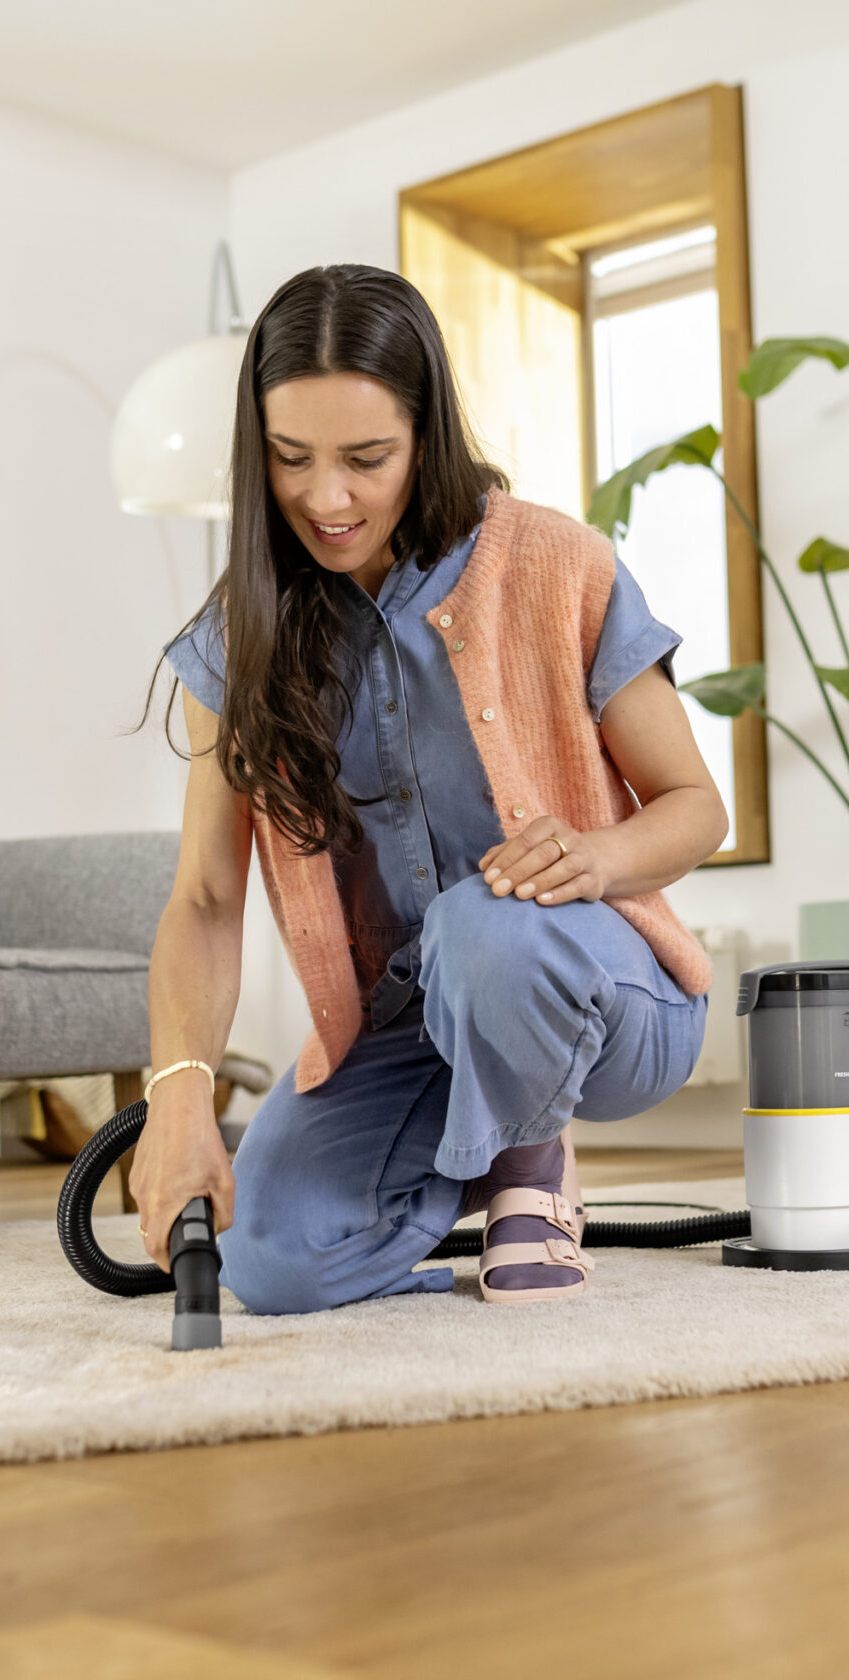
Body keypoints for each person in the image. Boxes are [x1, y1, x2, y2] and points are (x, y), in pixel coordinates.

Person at [132, 262, 729, 1311]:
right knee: (270, 1263)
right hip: (407, 1029)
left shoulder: (557, 563)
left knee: (479, 926)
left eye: (367, 459)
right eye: (290, 458)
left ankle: (533, 1161)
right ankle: (465, 1161)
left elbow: (696, 807)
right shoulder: (238, 638)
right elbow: (207, 899)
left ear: (426, 435)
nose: (327, 499)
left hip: (592, 988)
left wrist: (597, 857)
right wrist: (177, 1095)